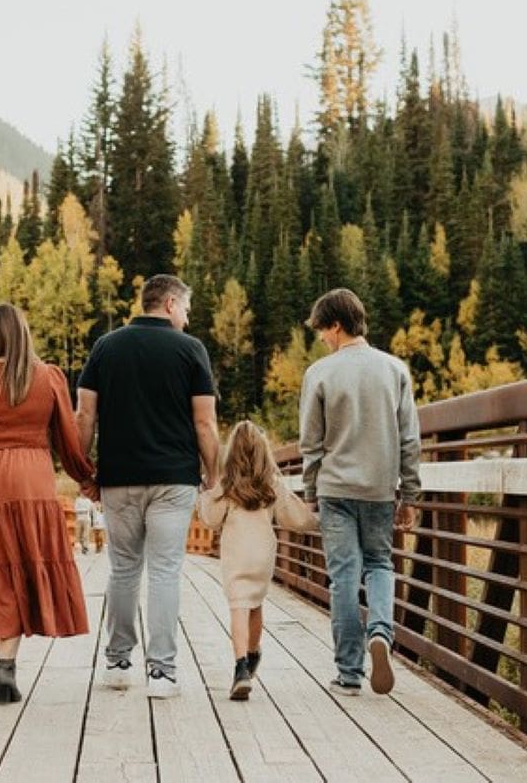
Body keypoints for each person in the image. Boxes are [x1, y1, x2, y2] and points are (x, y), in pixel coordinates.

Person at [0, 303, 95, 704]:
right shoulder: (48, 378)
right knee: (23, 565)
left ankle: (2, 656)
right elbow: (67, 438)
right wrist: (85, 476)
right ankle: (5, 660)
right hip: (32, 479)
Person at [76, 273, 220, 698]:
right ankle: (161, 672)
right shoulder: (191, 350)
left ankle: (118, 662)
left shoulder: (106, 346)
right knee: (164, 571)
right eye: (188, 310)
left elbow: (84, 416)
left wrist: (84, 471)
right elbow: (205, 422)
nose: (189, 319)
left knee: (123, 569)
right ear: (171, 304)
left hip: (119, 477)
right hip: (174, 479)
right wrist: (215, 476)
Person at [299, 288, 421, 697]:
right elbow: (409, 440)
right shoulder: (395, 369)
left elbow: (311, 444)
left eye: (322, 331)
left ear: (336, 325)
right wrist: (411, 494)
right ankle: (381, 634)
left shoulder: (319, 374)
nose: (322, 339)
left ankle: (349, 672)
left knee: (344, 579)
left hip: (336, 489)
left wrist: (310, 491)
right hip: (380, 490)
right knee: (380, 564)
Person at [197, 420, 318, 701]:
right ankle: (252, 655)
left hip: (236, 555)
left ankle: (240, 668)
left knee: (238, 606)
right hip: (263, 556)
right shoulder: (272, 484)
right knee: (255, 604)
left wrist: (204, 494)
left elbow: (211, 519)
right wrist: (317, 521)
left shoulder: (227, 486)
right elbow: (294, 516)